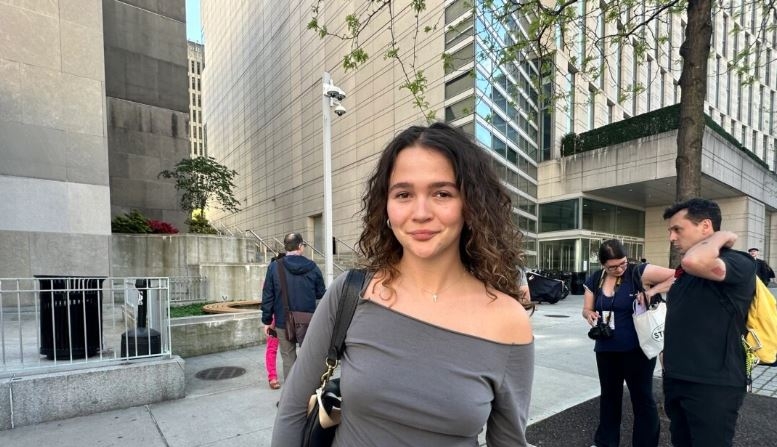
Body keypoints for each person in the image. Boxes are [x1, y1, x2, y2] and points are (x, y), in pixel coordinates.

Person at [272, 122, 534, 446]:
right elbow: (293, 409)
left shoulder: (508, 321)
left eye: (442, 193)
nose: (420, 212)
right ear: (386, 206)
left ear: (471, 205)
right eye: (404, 194)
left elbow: (508, 442)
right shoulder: (350, 294)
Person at [662, 198, 756, 446]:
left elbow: (695, 261)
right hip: (678, 378)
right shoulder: (685, 273)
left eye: (677, 229)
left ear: (705, 226)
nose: (672, 237)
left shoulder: (739, 262)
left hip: (713, 384)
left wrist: (721, 236)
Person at [581, 239, 675, 447]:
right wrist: (589, 315)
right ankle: (606, 441)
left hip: (637, 348)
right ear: (603, 264)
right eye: (612, 267)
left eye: (622, 263)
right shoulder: (595, 278)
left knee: (642, 399)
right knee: (609, 397)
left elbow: (677, 276)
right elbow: (586, 309)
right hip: (606, 347)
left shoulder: (638, 271)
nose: (619, 269)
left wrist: (651, 291)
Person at [261, 233, 326, 385]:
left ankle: (293, 393)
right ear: (300, 247)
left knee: (288, 356)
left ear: (286, 247)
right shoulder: (313, 267)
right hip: (308, 320)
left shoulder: (274, 267)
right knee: (308, 356)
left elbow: (268, 296)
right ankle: (309, 390)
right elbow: (320, 292)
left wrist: (267, 320)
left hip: (283, 320)